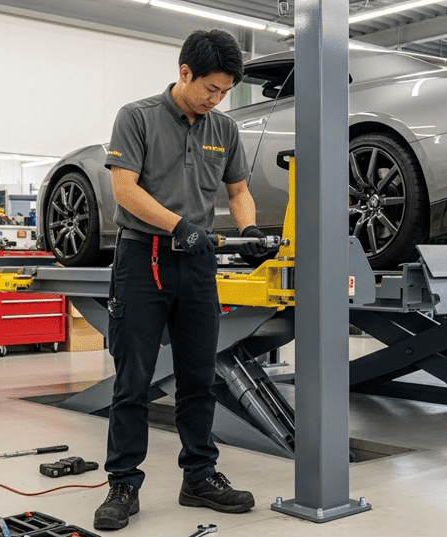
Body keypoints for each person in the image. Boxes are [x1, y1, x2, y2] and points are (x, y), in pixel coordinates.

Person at [93, 29, 272, 531]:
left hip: (197, 266)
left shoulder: (224, 128)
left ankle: (200, 477)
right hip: (142, 259)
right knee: (133, 379)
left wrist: (249, 228)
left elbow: (237, 191)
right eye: (210, 89)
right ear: (184, 72)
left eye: (224, 92)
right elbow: (124, 191)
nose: (216, 99)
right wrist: (180, 226)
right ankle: (123, 484)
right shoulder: (136, 117)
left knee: (199, 378)